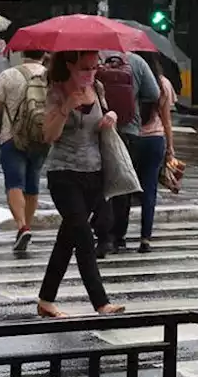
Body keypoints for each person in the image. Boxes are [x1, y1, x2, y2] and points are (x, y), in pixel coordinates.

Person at [36, 50, 124, 319]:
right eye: (85, 67)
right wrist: (66, 107)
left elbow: (101, 123)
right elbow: (48, 135)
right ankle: (100, 302)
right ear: (70, 65)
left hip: (93, 173)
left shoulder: (96, 88)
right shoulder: (56, 91)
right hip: (64, 174)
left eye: (94, 67)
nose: (91, 72)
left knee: (67, 239)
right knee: (84, 236)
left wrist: (111, 118)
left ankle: (46, 300)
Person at [0, 50, 48, 252]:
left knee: (14, 183)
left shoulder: (8, 75)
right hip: (40, 137)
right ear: (42, 55)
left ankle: (22, 226)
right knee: (33, 184)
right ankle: (27, 224)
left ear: (22, 54)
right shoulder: (49, 75)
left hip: (12, 138)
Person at [101, 50, 160, 255]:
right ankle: (119, 236)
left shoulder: (97, 58)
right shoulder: (136, 61)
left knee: (101, 181)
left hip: (99, 129)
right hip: (129, 130)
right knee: (122, 184)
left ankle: (102, 233)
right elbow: (154, 93)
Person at [132, 53, 176, 253]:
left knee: (124, 189)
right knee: (149, 190)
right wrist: (170, 148)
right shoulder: (163, 83)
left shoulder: (129, 75)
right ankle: (145, 239)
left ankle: (118, 236)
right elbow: (166, 119)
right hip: (155, 139)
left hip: (131, 138)